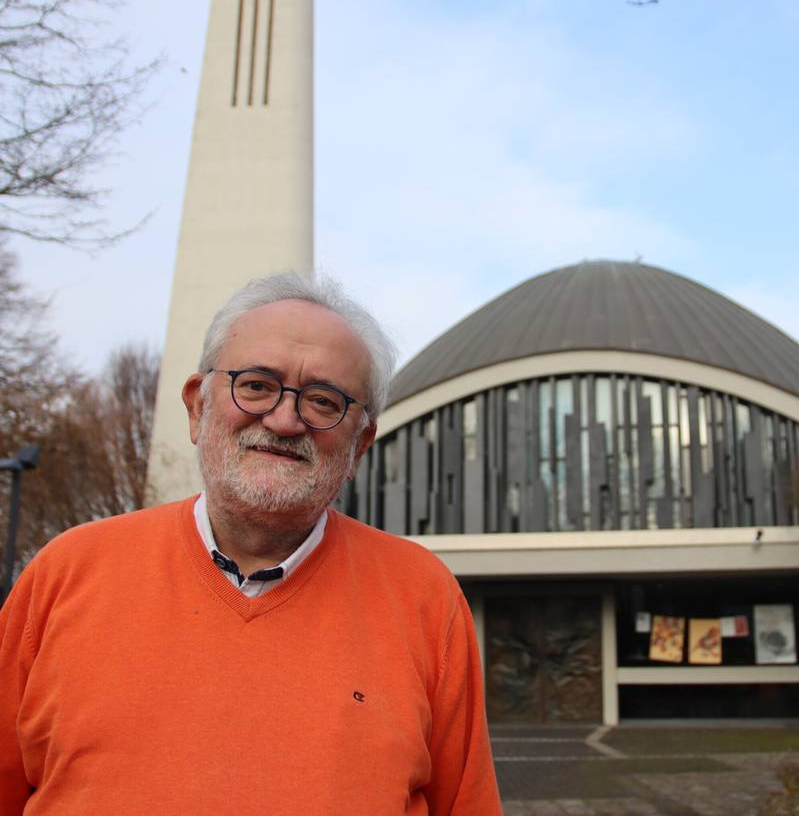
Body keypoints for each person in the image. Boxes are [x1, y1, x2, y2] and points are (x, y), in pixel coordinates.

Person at [0, 272, 502, 815]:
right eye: (257, 385)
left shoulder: (424, 597)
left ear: (360, 444)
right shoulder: (66, 574)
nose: (285, 420)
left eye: (323, 401)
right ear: (197, 407)